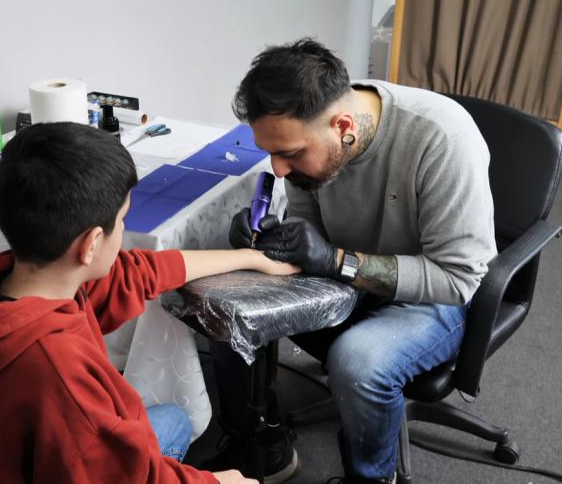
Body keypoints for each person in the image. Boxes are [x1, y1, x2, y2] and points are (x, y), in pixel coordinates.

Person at [0, 122, 299, 483]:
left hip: (28, 462)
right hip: (86, 462)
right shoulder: (60, 378)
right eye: (122, 221)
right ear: (90, 245)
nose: (123, 231)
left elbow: (141, 272)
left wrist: (248, 258)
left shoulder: (6, 291)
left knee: (174, 419)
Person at [212, 38, 497, 483]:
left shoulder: (441, 139)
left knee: (358, 364)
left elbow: (457, 279)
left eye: (289, 153)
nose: (278, 170)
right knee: (226, 305)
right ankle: (261, 440)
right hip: (345, 276)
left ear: (343, 126)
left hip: (434, 295)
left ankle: (373, 477)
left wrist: (335, 260)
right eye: (270, 153)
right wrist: (273, 240)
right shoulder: (317, 133)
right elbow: (309, 226)